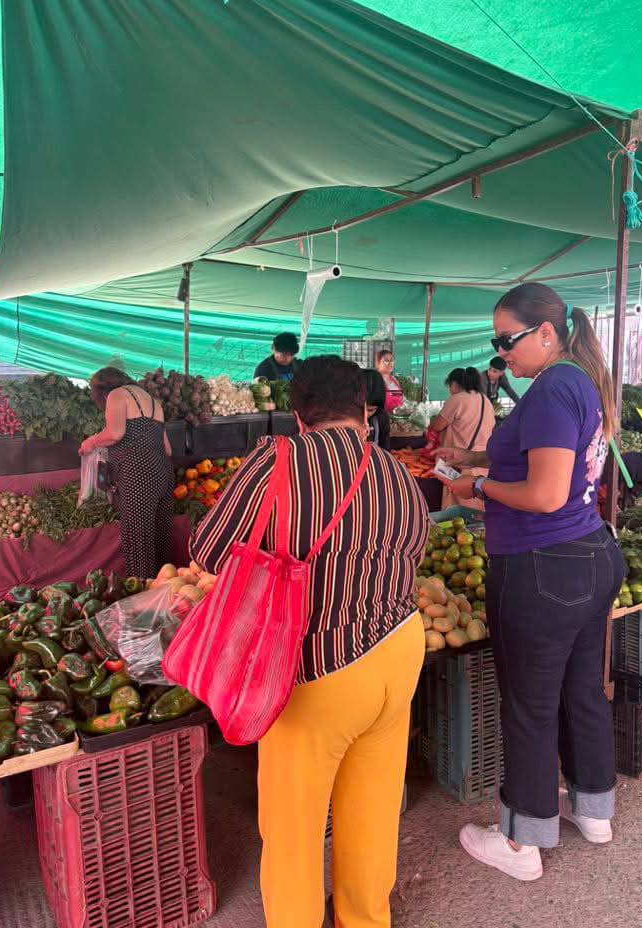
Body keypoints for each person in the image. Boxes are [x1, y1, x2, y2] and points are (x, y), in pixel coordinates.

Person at [190, 356, 429, 928]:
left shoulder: (278, 459)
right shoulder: (395, 470)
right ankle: (365, 919)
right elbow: (416, 546)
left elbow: (209, 550)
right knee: (372, 810)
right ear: (365, 411)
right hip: (400, 650)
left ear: (298, 415)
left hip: (320, 664)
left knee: (294, 829)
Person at [435, 282, 626, 881]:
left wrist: (478, 488)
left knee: (530, 706)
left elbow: (544, 495)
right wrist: (480, 465)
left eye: (506, 339)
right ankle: (593, 810)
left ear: (545, 333)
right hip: (589, 556)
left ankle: (522, 843)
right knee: (581, 691)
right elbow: (551, 470)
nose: (500, 352)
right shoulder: (579, 381)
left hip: (544, 568)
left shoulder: (550, 389)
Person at [80, 367, 174, 578]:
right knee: (160, 537)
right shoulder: (154, 402)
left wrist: (91, 442)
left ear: (102, 390)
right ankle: (166, 588)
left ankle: (143, 593)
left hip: (138, 474)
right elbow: (168, 449)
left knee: (138, 540)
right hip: (163, 473)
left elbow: (115, 433)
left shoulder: (117, 394)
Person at [429, 366, 494, 512]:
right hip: (482, 462)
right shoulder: (485, 400)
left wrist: (432, 420)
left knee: (456, 508)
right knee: (477, 508)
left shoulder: (457, 399)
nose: (450, 390)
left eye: (450, 386)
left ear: (454, 383)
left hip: (459, 462)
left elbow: (437, 426)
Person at [363, 367, 391, 450]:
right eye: (360, 408)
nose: (365, 415)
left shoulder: (382, 418)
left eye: (370, 410)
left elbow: (385, 449)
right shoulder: (344, 418)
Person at [375, 349, 404, 413]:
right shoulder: (375, 380)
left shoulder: (394, 380)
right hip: (382, 416)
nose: (390, 363)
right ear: (378, 363)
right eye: (386, 361)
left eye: (392, 360)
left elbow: (400, 400)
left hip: (397, 416)